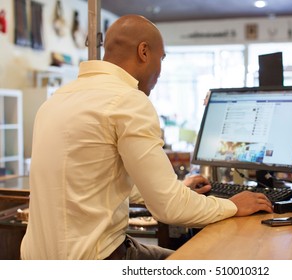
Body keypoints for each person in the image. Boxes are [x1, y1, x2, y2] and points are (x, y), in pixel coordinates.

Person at [20, 14, 273, 260]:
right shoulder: (128, 101)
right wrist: (234, 205)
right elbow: (169, 209)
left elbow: (92, 182)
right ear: (144, 52)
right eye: (160, 58)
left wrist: (174, 188)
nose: (160, 72)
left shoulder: (56, 100)